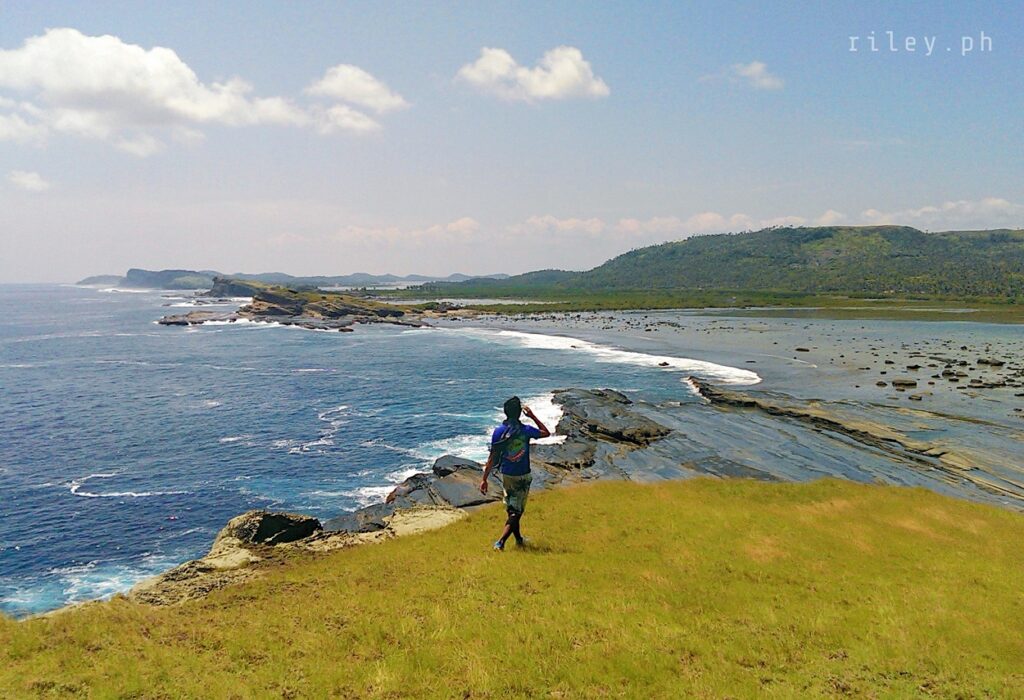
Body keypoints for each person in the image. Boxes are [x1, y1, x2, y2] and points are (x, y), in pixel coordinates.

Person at [480, 396, 550, 550]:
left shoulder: (498, 432)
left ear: (505, 413)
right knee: (516, 512)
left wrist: (484, 479)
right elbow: (546, 433)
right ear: (519, 413)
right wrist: (532, 416)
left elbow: (492, 458)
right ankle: (501, 542)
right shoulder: (525, 430)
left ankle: (518, 540)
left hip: (507, 475)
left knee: (512, 509)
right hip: (523, 475)